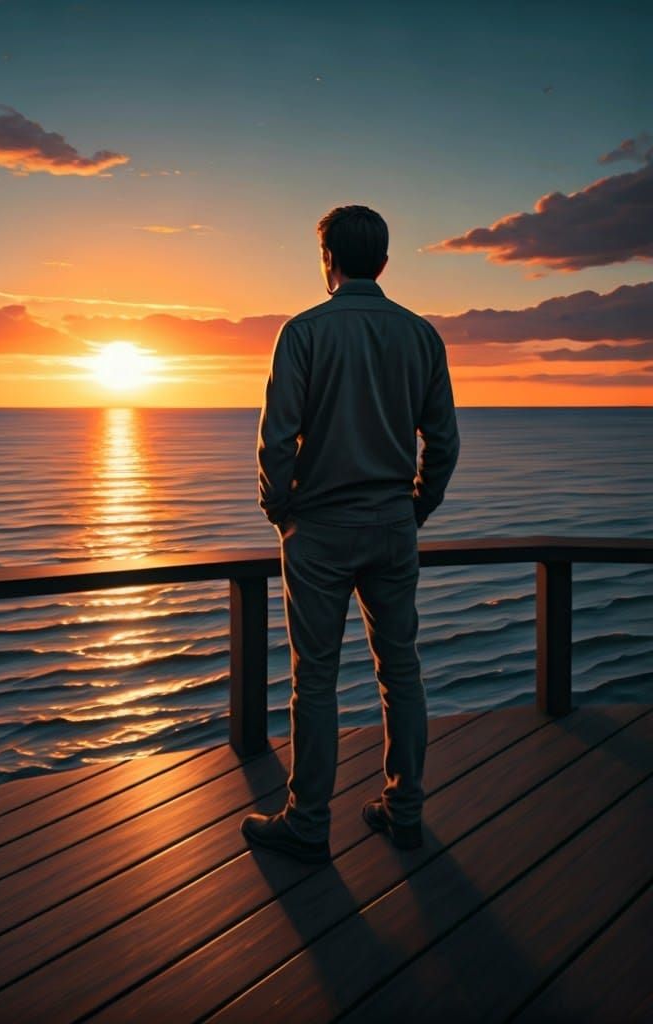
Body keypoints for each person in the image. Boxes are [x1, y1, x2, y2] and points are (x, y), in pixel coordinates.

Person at [242, 205, 459, 864]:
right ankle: (405, 810)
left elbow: (277, 438)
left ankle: (309, 823)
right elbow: (443, 441)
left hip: (323, 528)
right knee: (402, 672)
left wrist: (280, 510)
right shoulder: (421, 336)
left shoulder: (303, 332)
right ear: (384, 263)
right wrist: (415, 508)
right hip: (393, 522)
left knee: (316, 680)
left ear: (327, 259)